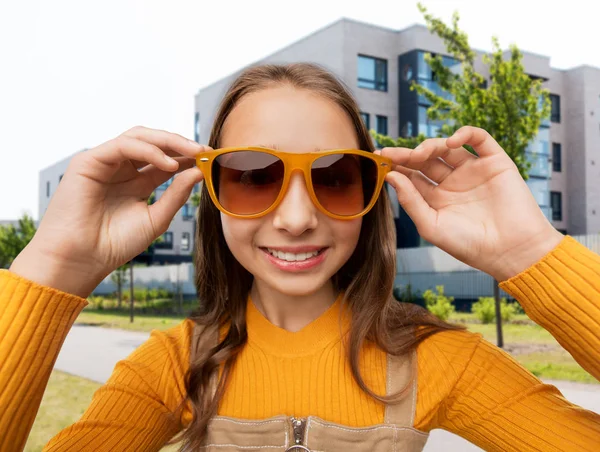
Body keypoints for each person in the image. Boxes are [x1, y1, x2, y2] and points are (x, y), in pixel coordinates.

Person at [1, 62, 599, 452]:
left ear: (371, 195)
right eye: (252, 177)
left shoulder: (441, 361)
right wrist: (55, 266)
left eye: (336, 177)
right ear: (210, 194)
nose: (295, 218)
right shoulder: (170, 367)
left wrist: (532, 253)